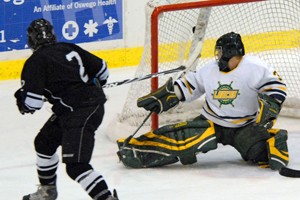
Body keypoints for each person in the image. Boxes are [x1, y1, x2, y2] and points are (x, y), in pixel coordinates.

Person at [116, 32, 289, 171]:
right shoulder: (210, 70)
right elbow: (191, 84)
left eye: (220, 52)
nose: (218, 56)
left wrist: (270, 108)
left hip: (244, 126)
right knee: (181, 139)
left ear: (230, 53)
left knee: (261, 153)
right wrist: (169, 95)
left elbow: (277, 88)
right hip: (211, 122)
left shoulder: (256, 67)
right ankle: (138, 148)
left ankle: (275, 137)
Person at [14, 18, 118, 200]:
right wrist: (94, 83)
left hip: (80, 111)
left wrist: (22, 100)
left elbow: (33, 104)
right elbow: (103, 71)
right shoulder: (68, 47)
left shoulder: (35, 61)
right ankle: (47, 192)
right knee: (44, 142)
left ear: (30, 40)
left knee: (76, 166)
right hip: (79, 107)